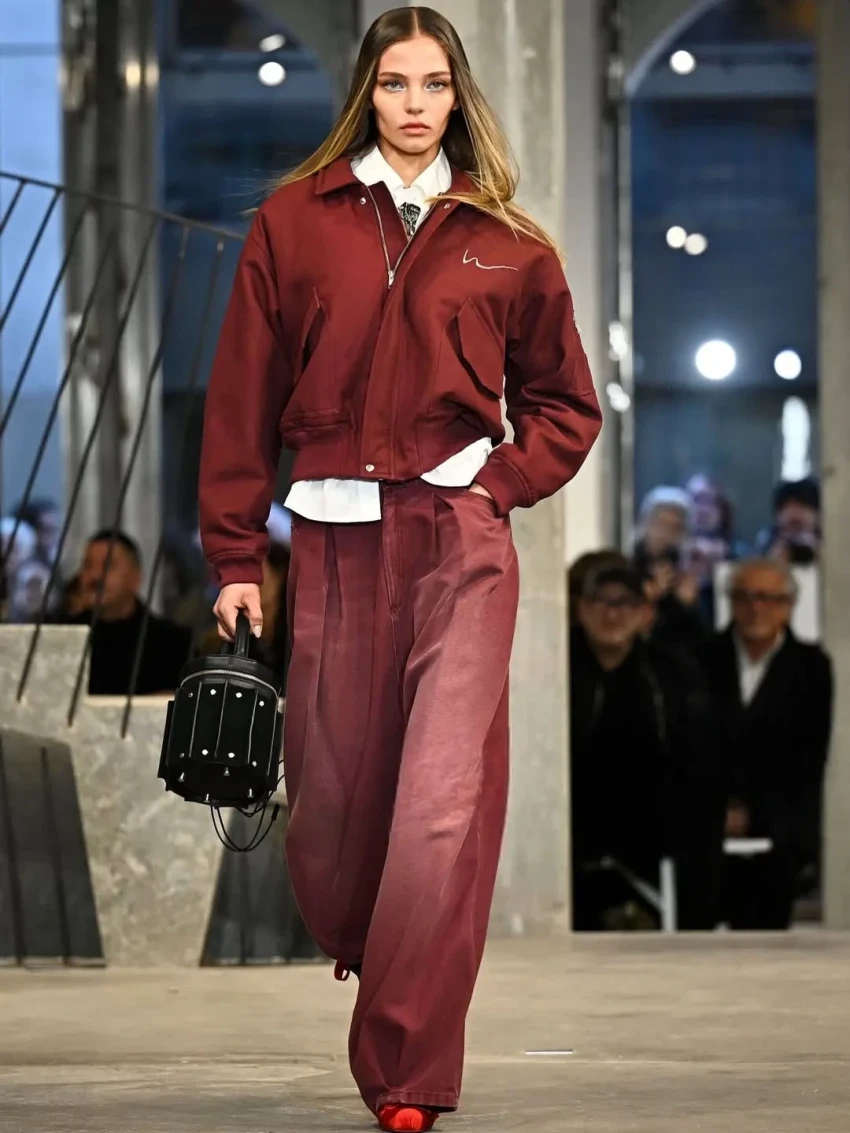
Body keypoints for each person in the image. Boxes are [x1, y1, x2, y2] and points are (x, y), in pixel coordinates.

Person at [197, 8, 602, 1130]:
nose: (414, 104)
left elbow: (568, 404)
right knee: (330, 814)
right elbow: (240, 397)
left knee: (440, 804)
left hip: (459, 537)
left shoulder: (509, 242)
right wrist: (235, 551)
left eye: (432, 84)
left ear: (457, 96)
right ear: (365, 95)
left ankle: (408, 1068)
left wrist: (498, 484)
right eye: (392, 83)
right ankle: (379, 946)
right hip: (334, 534)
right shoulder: (295, 222)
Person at [570, 564, 724, 932]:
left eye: (624, 603)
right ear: (582, 609)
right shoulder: (556, 666)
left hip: (652, 825)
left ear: (644, 613)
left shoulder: (671, 671)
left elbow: (698, 755)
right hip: (573, 824)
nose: (611, 615)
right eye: (601, 602)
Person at [700, 559, 832, 930]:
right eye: (744, 597)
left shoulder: (811, 667)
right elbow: (694, 746)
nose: (755, 608)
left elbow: (807, 756)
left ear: (788, 606)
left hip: (778, 834)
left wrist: (757, 814)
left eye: (767, 598)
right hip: (707, 831)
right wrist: (719, 810)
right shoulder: (702, 658)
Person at [65, 531, 192, 696]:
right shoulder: (62, 638)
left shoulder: (173, 644)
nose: (94, 576)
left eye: (108, 565)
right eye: (87, 565)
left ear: (136, 578)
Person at [632, 487, 706, 655]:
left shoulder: (684, 571)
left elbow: (697, 637)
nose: (666, 533)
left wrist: (686, 605)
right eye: (661, 524)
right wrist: (649, 597)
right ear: (645, 522)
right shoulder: (627, 566)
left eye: (675, 527)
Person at [756, 478, 821, 565]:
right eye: (787, 507)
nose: (794, 513)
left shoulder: (831, 539)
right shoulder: (767, 539)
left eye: (802, 506)